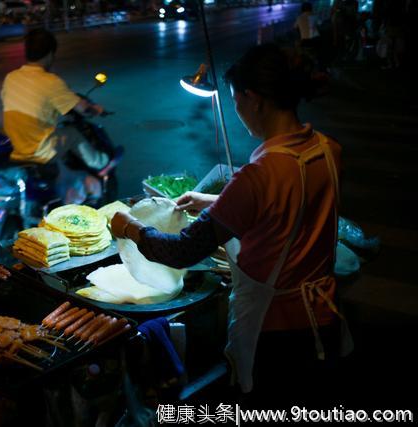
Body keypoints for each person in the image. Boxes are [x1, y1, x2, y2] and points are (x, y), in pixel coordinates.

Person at [111, 44, 352, 402]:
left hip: (277, 329)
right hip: (324, 315)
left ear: (254, 99)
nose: (236, 111)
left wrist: (128, 226)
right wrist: (215, 201)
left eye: (236, 100)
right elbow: (289, 207)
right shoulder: (326, 149)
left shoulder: (258, 175)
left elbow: (181, 251)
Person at [1, 28, 112, 198]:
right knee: (73, 134)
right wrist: (96, 109)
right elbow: (82, 108)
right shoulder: (51, 81)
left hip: (14, 148)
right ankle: (101, 164)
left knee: (56, 131)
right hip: (38, 150)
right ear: (50, 54)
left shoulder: (11, 77)